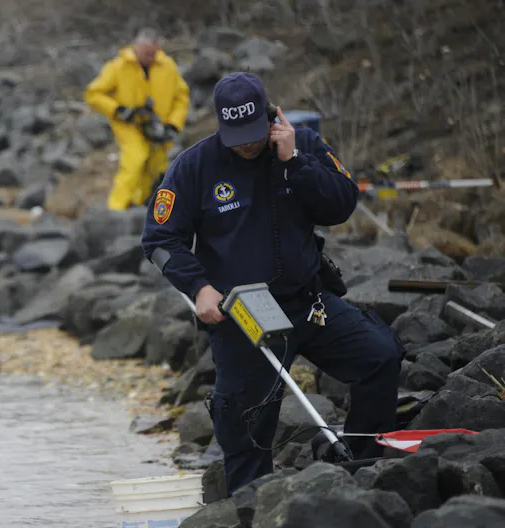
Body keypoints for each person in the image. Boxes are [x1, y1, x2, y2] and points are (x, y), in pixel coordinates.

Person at [141, 72, 402, 496]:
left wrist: (294, 161)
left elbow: (341, 205)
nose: (246, 145)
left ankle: (361, 469)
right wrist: (198, 288)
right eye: (236, 138)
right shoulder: (194, 166)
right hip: (241, 317)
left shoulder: (303, 146)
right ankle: (249, 506)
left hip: (308, 302)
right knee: (245, 425)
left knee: (380, 355)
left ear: (271, 116)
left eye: (254, 134)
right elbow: (159, 240)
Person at [84, 28, 190, 211]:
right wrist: (118, 110)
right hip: (128, 124)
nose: (149, 57)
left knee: (157, 166)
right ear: (136, 47)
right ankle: (116, 208)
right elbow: (93, 94)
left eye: (153, 53)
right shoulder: (118, 66)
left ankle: (142, 207)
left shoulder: (168, 66)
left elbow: (182, 98)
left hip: (158, 127)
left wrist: (173, 125)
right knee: (135, 157)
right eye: (146, 53)